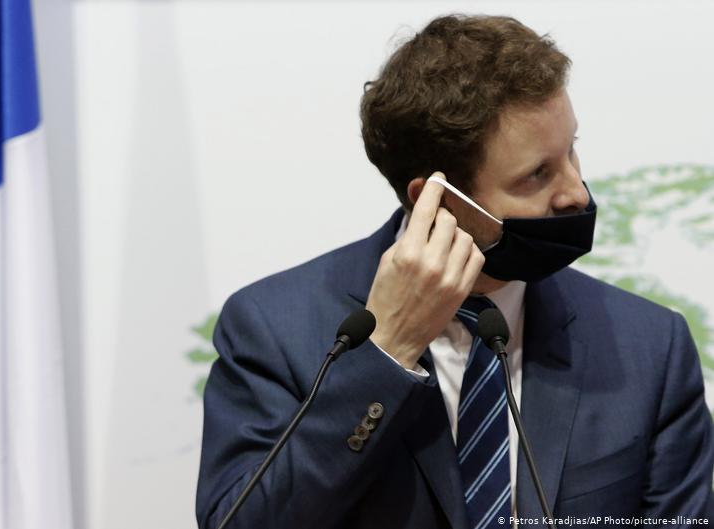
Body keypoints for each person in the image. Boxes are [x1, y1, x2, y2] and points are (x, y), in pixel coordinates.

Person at [196, 14, 714, 529]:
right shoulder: (273, 329)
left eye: (571, 150)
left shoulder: (649, 346)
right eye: (537, 174)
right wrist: (387, 351)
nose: (577, 192)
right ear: (439, 200)